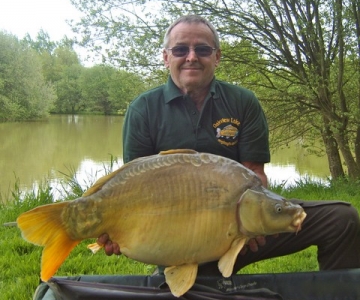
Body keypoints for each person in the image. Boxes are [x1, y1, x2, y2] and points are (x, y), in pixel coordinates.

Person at [98, 14, 360, 274]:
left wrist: (253, 224)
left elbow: (255, 173)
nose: (191, 57)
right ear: (166, 57)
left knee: (342, 219)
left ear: (217, 57)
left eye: (202, 49)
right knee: (191, 298)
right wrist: (119, 229)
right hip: (175, 234)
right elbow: (133, 189)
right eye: (180, 49)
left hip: (239, 226)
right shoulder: (143, 109)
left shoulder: (243, 102)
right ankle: (186, 274)